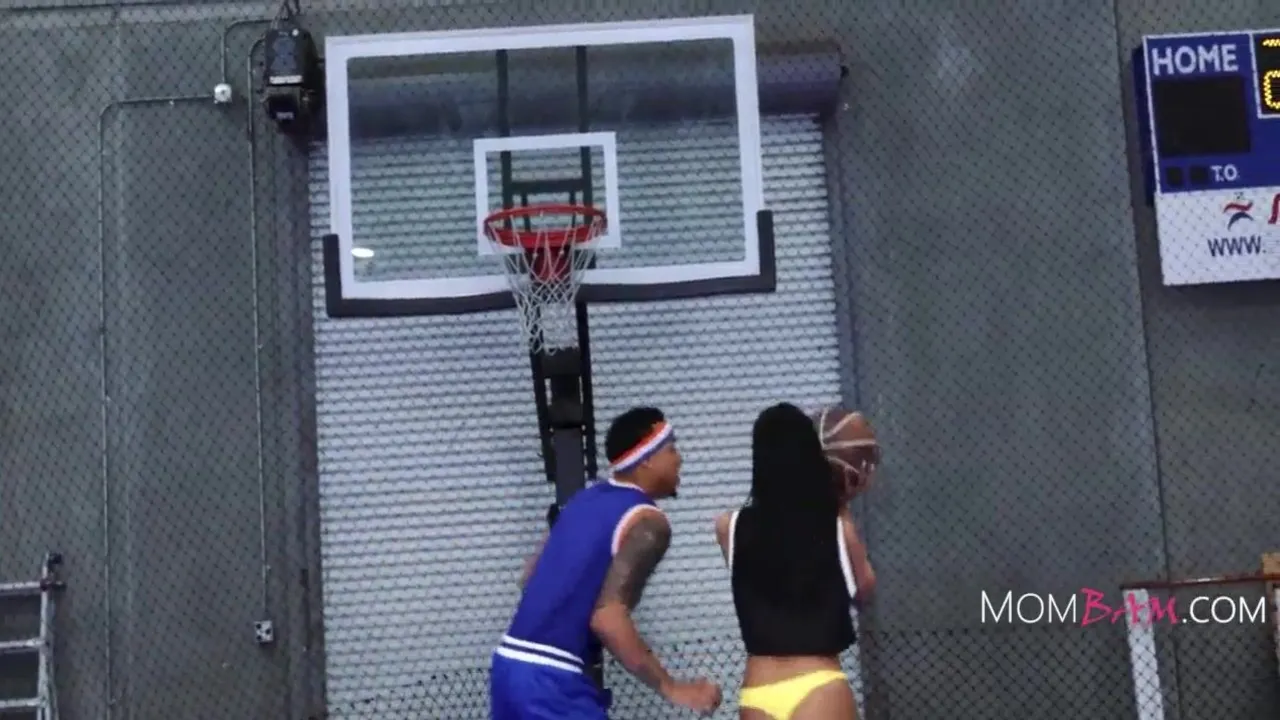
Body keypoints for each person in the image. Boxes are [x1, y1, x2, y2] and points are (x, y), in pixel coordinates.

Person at [491, 406, 723, 719]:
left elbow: (530, 578)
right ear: (647, 459)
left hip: (508, 664)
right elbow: (607, 619)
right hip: (552, 680)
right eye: (671, 449)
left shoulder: (584, 499)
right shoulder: (648, 521)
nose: (679, 459)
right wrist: (673, 688)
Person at [714, 403, 878, 720]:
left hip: (758, 689)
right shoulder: (837, 528)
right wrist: (841, 502)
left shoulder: (728, 528)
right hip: (819, 684)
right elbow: (863, 589)